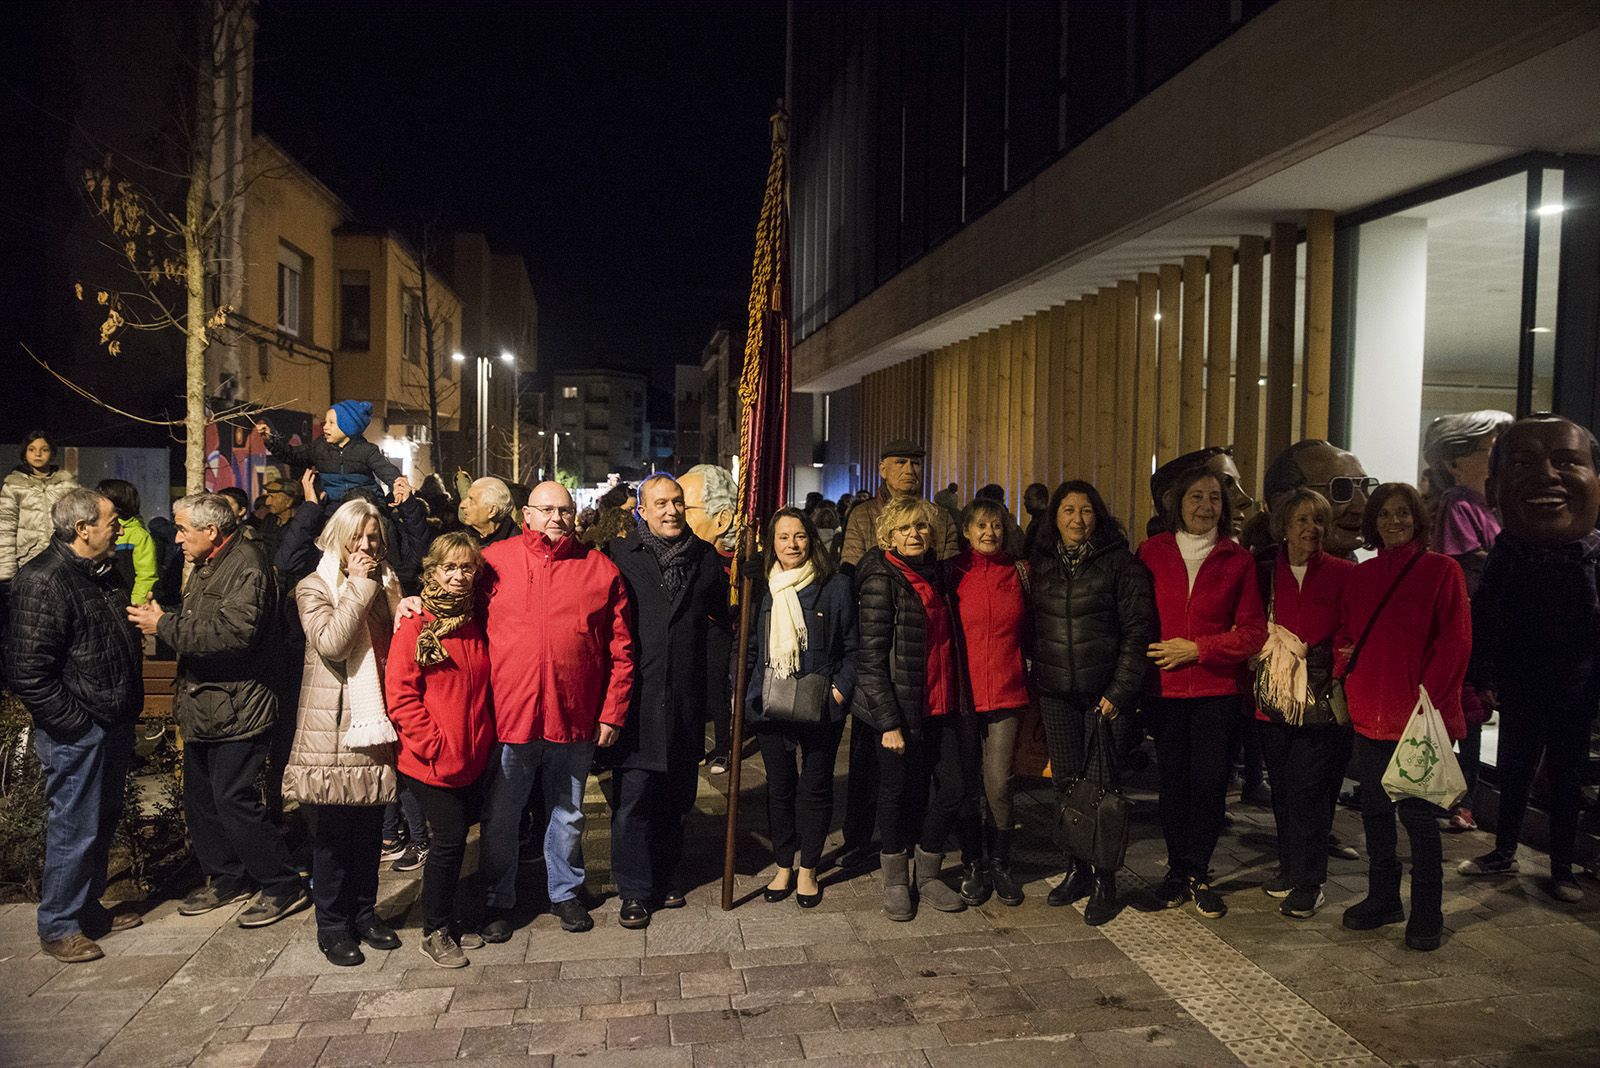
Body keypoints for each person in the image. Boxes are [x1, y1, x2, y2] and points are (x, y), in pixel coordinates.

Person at [126, 493, 307, 928]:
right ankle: (229, 878)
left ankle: (283, 885)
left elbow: (234, 634)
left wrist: (163, 625)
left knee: (234, 800)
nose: (177, 537)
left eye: (183, 529)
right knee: (202, 800)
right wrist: (166, 616)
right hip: (205, 705)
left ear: (211, 531)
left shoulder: (246, 563)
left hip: (238, 707)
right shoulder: (210, 564)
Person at [476, 481, 633, 938]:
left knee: (568, 811)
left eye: (564, 510)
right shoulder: (494, 562)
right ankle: (497, 898)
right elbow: (454, 614)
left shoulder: (599, 568)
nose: (556, 518)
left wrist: (613, 711)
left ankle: (564, 892)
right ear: (526, 514)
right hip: (511, 713)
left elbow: (621, 649)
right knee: (503, 814)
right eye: (546, 510)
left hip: (574, 713)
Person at [1459, 415, 1600, 903]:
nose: (1546, 476)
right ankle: (1502, 851)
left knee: (1567, 777)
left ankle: (1563, 867)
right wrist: (1486, 675)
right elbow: (1487, 620)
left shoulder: (1594, 559)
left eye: (1566, 462)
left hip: (1578, 688)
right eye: (1523, 463)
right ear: (1495, 487)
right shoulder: (1505, 555)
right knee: (1515, 771)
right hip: (1520, 683)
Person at [6, 489, 144, 962]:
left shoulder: (101, 572)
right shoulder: (43, 580)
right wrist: (75, 725)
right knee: (74, 825)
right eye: (111, 520)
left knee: (99, 823)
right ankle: (59, 924)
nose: (120, 527)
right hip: (79, 729)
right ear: (82, 528)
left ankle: (87, 910)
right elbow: (28, 670)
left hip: (110, 720)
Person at [1337, 483, 1470, 952]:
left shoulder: (1442, 570)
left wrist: (1426, 702)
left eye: (1403, 514)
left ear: (1418, 519)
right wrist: (1345, 670)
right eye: (1385, 515)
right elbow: (1348, 635)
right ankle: (1383, 898)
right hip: (1369, 717)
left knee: (1418, 818)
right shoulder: (1362, 575)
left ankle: (1427, 911)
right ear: (1372, 522)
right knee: (1374, 813)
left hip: (1419, 721)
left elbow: (1454, 643)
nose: (1395, 522)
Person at [1139, 467, 1266, 919]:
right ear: (1178, 502)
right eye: (1196, 496)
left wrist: (1198, 648)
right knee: (1173, 785)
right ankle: (1176, 870)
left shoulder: (1238, 560)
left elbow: (1254, 633)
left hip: (1217, 691)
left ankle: (1197, 871)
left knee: (1211, 786)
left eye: (1214, 498)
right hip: (1164, 691)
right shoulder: (1151, 552)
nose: (1205, 506)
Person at [1028, 481, 1156, 925]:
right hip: (1057, 694)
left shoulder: (1121, 565)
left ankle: (1106, 880)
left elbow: (1139, 632)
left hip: (1106, 698)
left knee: (1102, 791)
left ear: (1098, 516)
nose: (1077, 519)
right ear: (1055, 517)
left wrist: (1119, 692)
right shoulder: (1041, 565)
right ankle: (1077, 869)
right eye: (1068, 510)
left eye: (1086, 511)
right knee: (1065, 785)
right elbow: (1032, 627)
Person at [282, 498, 403, 966]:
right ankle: (332, 926)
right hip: (330, 733)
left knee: (370, 832)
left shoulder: (385, 583)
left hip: (373, 725)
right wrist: (358, 585)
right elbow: (332, 643)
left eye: (374, 537)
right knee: (331, 838)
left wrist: (393, 596)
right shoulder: (314, 586)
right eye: (358, 536)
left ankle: (365, 913)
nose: (367, 545)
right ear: (339, 538)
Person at [607, 474, 728, 928]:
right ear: (641, 509)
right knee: (634, 798)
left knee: (677, 798)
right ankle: (635, 890)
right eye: (660, 503)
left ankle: (668, 874)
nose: (671, 510)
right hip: (636, 699)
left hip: (684, 700)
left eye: (677, 502)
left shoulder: (704, 559)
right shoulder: (620, 556)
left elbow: (721, 621)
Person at [838, 440, 958, 868]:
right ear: (883, 468)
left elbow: (944, 574)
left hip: (921, 652)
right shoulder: (864, 514)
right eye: (901, 463)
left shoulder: (938, 516)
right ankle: (858, 840)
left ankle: (908, 840)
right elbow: (851, 576)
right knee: (870, 764)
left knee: (916, 768)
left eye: (916, 462)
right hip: (878, 647)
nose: (910, 469)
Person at [853, 496, 971, 921]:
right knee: (895, 794)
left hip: (939, 706)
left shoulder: (936, 574)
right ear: (889, 535)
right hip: (899, 711)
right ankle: (896, 880)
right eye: (904, 529)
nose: (914, 535)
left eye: (921, 527)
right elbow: (870, 659)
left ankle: (929, 871)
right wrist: (888, 722)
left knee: (951, 788)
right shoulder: (882, 578)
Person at [385, 531, 494, 966]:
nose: (458, 576)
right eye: (449, 567)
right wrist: (433, 742)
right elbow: (401, 694)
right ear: (432, 571)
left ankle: (447, 920)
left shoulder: (473, 619)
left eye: (466, 567)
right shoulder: (415, 622)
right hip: (429, 758)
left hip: (472, 756)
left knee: (460, 840)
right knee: (448, 841)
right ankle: (434, 931)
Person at [743, 508, 856, 908]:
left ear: (812, 539)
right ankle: (783, 865)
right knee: (780, 789)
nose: (792, 545)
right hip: (771, 704)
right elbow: (752, 647)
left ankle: (808, 868)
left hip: (819, 704)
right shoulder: (763, 589)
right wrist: (746, 695)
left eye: (799, 536)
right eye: (783, 537)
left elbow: (852, 647)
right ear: (772, 545)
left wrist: (839, 692)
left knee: (815, 787)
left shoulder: (836, 586)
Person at [1251, 489, 1356, 919]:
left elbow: (1352, 632)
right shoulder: (1262, 573)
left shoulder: (1342, 572)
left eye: (1318, 521)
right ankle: (1290, 867)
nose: (1311, 529)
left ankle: (1310, 881)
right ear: (1283, 527)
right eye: (1301, 521)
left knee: (1311, 790)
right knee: (1283, 788)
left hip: (1319, 695)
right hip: (1272, 698)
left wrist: (1335, 666)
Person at [1423, 410, 1512, 833]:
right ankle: (1457, 800)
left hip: (1490, 623)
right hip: (1470, 627)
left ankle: (1463, 799)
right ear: (1455, 461)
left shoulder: (1491, 505)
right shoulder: (1458, 502)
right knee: (1466, 715)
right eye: (1489, 450)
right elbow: (1465, 560)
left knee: (1476, 715)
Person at [951, 497, 1031, 907]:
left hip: (1007, 690)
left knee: (998, 782)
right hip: (962, 696)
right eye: (980, 525)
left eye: (996, 525)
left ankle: (1000, 861)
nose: (989, 533)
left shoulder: (1019, 572)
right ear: (966, 531)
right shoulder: (953, 572)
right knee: (967, 784)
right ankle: (971, 863)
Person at [679, 464, 738, 773]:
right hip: (693, 632)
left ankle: (725, 747)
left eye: (684, 506)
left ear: (722, 519)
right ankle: (696, 743)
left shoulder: (737, 560)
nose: (676, 514)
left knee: (717, 689)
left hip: (720, 632)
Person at [256, 402, 409, 503]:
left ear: (348, 426)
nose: (325, 427)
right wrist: (270, 439)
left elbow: (386, 470)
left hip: (366, 506)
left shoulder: (367, 451)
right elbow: (291, 454)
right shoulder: (319, 448)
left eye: (331, 423)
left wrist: (397, 485)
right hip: (334, 508)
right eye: (325, 422)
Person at [1, 431, 80, 588]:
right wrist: (6, 572)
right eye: (31, 449)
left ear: (52, 453)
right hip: (27, 558)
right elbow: (5, 526)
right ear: (24, 453)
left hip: (62, 556)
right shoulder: (13, 485)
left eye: (44, 449)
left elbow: (77, 519)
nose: (38, 454)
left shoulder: (66, 484)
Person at [97, 479, 157, 607]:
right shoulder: (99, 529)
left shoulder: (139, 535)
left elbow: (146, 576)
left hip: (127, 605)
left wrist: (136, 604)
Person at [458, 476, 520, 546]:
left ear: (492, 511)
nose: (462, 505)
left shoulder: (516, 546)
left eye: (471, 500)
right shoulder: (462, 542)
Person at [1020, 482, 1050, 557]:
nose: (1025, 503)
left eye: (1029, 499)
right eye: (1025, 499)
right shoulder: (1037, 519)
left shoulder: (1046, 522)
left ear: (1041, 500)